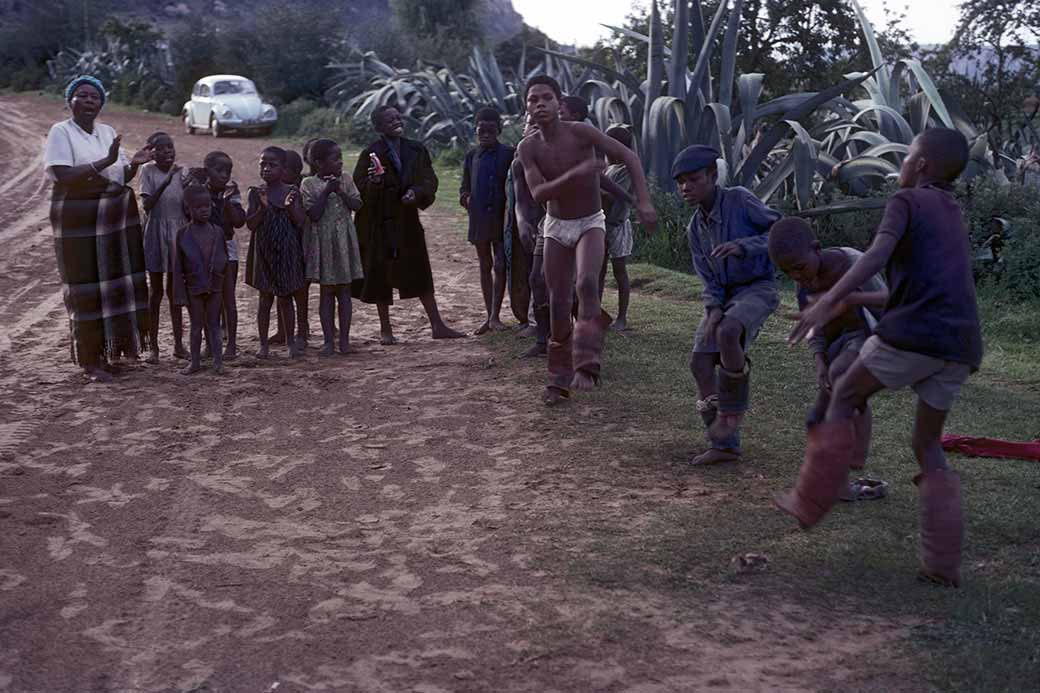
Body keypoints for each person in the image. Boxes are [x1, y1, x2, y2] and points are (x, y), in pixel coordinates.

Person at [780, 128, 983, 588]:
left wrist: (830, 297)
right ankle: (942, 563)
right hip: (961, 344)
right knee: (926, 444)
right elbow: (911, 284)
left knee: (844, 392)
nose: (904, 164)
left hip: (916, 332)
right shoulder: (952, 210)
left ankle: (812, 499)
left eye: (908, 154)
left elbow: (876, 254)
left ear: (923, 165)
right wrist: (850, 303)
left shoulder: (906, 201)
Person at [517, 76, 656, 404]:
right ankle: (557, 379)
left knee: (588, 283)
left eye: (546, 97)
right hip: (556, 225)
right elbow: (538, 193)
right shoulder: (528, 147)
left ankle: (588, 364)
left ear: (558, 102)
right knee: (559, 300)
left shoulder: (581, 133)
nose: (540, 104)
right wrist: (576, 175)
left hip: (590, 222)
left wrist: (645, 201)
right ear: (526, 108)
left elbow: (630, 158)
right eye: (533, 99)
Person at [768, 217, 890, 502]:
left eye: (799, 268)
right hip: (840, 344)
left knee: (841, 373)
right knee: (818, 414)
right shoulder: (804, 285)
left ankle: (857, 452)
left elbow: (888, 299)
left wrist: (849, 300)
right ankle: (839, 483)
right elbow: (815, 329)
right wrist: (819, 359)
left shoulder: (853, 263)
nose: (797, 277)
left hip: (875, 336)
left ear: (817, 248)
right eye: (788, 273)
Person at [673, 145, 781, 466]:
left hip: (758, 288)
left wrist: (744, 246)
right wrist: (713, 308)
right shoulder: (695, 229)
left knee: (729, 332)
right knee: (700, 362)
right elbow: (708, 279)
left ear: (713, 176)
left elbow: (781, 230)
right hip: (726, 295)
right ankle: (723, 444)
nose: (686, 188)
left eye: (693, 179)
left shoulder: (739, 199)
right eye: (680, 183)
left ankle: (732, 412)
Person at [43, 75, 154, 382]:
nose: (89, 100)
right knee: (85, 287)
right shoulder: (60, 132)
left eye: (95, 96)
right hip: (77, 218)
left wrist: (135, 165)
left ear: (101, 103)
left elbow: (118, 177)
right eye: (82, 95)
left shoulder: (106, 132)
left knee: (114, 282)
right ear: (70, 101)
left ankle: (108, 354)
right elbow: (63, 174)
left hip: (109, 220)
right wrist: (106, 160)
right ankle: (89, 360)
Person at [352, 105, 465, 344]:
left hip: (407, 219)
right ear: (378, 128)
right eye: (389, 119)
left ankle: (437, 324)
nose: (396, 121)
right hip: (380, 223)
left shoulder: (416, 149)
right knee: (380, 274)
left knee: (420, 270)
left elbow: (429, 179)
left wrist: (416, 192)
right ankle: (386, 330)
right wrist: (375, 183)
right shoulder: (370, 153)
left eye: (397, 117)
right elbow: (359, 189)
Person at [301, 138, 364, 356]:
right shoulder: (308, 184)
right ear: (319, 163)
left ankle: (344, 341)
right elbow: (313, 215)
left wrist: (341, 192)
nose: (340, 162)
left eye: (341, 158)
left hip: (344, 241)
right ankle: (329, 341)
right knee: (327, 292)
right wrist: (327, 191)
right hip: (323, 243)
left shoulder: (345, 179)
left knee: (345, 291)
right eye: (335, 158)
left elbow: (357, 205)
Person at [245, 146, 307, 359]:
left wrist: (290, 208)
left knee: (286, 298)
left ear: (284, 168)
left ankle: (291, 343)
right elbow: (251, 225)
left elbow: (300, 222)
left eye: (273, 165)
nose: (267, 168)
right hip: (264, 251)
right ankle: (263, 345)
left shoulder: (292, 191)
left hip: (287, 251)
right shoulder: (256, 193)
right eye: (263, 164)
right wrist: (261, 208)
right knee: (265, 299)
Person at [460, 107, 515, 335]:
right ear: (476, 131)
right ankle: (489, 316)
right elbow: (464, 187)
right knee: (485, 264)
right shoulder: (472, 156)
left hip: (502, 218)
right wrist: (467, 199)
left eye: (490, 130)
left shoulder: (509, 154)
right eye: (481, 130)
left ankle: (495, 315)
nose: (485, 134)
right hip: (479, 217)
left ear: (499, 130)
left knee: (501, 264)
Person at [139, 131, 189, 364]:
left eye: (170, 147)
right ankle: (153, 348)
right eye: (161, 148)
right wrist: (166, 181)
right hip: (156, 233)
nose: (167, 152)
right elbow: (148, 204)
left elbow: (189, 203)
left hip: (178, 234)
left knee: (175, 292)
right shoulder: (147, 172)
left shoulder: (183, 172)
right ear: (152, 153)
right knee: (156, 292)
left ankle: (179, 345)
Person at [173, 185, 227, 376]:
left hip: (215, 285)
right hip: (194, 286)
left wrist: (221, 283)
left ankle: (218, 363)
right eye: (199, 207)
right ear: (189, 209)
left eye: (207, 206)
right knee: (196, 325)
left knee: (214, 325)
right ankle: (195, 362)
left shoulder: (218, 231)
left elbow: (223, 259)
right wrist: (179, 293)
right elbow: (177, 266)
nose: (204, 210)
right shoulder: (182, 234)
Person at [197, 150, 245, 361]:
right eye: (219, 170)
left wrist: (224, 201)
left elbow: (238, 221)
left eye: (228, 171)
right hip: (204, 249)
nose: (224, 175)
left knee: (228, 299)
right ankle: (210, 344)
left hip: (227, 248)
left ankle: (232, 345)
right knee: (208, 299)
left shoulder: (231, 193)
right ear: (207, 171)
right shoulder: (199, 192)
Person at [513, 116, 549, 358]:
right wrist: (523, 221)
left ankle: (584, 334)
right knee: (537, 278)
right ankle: (543, 338)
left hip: (574, 221)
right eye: (531, 125)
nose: (535, 129)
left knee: (574, 284)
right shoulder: (519, 162)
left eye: (540, 125)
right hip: (546, 223)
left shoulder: (560, 153)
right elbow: (521, 200)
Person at [270, 150, 311, 350]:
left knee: (301, 292)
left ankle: (302, 331)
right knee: (281, 291)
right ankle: (282, 331)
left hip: (300, 246)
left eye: (281, 167)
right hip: (281, 248)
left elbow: (302, 222)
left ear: (292, 172)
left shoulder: (298, 190)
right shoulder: (274, 189)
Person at [599, 125, 636, 332]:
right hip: (602, 223)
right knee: (599, 270)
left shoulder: (625, 170)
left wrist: (593, 186)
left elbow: (614, 196)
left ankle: (622, 318)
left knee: (619, 271)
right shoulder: (609, 168)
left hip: (617, 225)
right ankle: (595, 313)